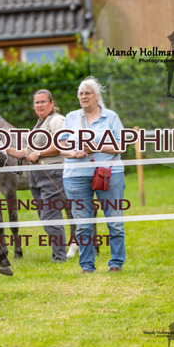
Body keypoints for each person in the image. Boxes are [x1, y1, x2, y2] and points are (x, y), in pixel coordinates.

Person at [58, 76, 126, 274]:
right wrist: (73, 153)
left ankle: (116, 263)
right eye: (80, 93)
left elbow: (121, 145)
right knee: (82, 223)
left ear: (97, 95)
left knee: (114, 220)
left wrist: (97, 147)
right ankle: (87, 265)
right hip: (75, 175)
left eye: (87, 93)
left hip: (109, 174)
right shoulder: (71, 117)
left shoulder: (111, 117)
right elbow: (61, 144)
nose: (83, 96)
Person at [6, 89, 68, 262]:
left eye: (43, 102)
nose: (39, 105)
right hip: (36, 175)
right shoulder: (39, 125)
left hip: (53, 173)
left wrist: (39, 154)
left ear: (51, 103)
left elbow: (62, 144)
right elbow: (25, 152)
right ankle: (59, 253)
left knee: (50, 216)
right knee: (44, 216)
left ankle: (60, 257)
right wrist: (1, 148)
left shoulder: (57, 120)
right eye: (36, 102)